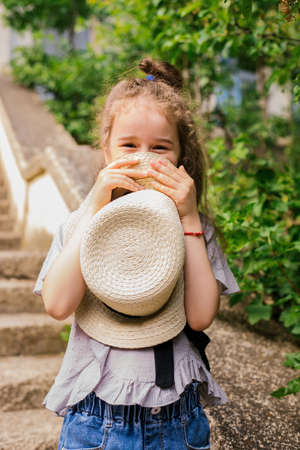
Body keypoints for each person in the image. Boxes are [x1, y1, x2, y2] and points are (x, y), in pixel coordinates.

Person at [33, 57, 240, 450]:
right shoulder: (80, 222)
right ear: (107, 151)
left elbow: (199, 316)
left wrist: (191, 219)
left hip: (177, 421)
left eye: (160, 148)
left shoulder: (194, 227)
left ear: (180, 157)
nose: (144, 157)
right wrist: (94, 211)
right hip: (96, 419)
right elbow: (58, 304)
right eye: (129, 145)